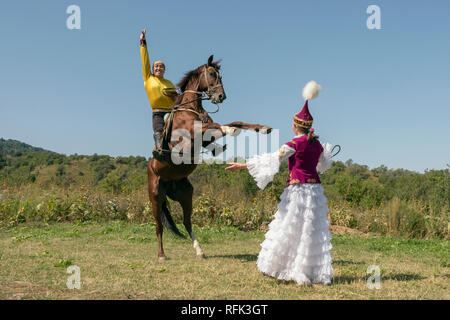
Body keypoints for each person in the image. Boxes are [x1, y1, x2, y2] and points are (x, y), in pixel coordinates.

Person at [225, 81, 334, 286]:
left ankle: (285, 268)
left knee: (289, 227)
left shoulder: (293, 144)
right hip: (315, 191)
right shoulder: (316, 144)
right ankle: (309, 271)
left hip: (298, 190)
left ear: (294, 125)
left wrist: (243, 165)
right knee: (311, 230)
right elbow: (322, 165)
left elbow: (272, 159)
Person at [139, 28, 178, 159]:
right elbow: (145, 60)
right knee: (158, 130)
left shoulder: (169, 83)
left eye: (161, 67)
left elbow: (176, 98)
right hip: (157, 112)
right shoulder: (148, 78)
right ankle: (159, 149)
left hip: (171, 112)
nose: (158, 68)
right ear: (153, 69)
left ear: (164, 70)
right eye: (156, 66)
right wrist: (143, 42)